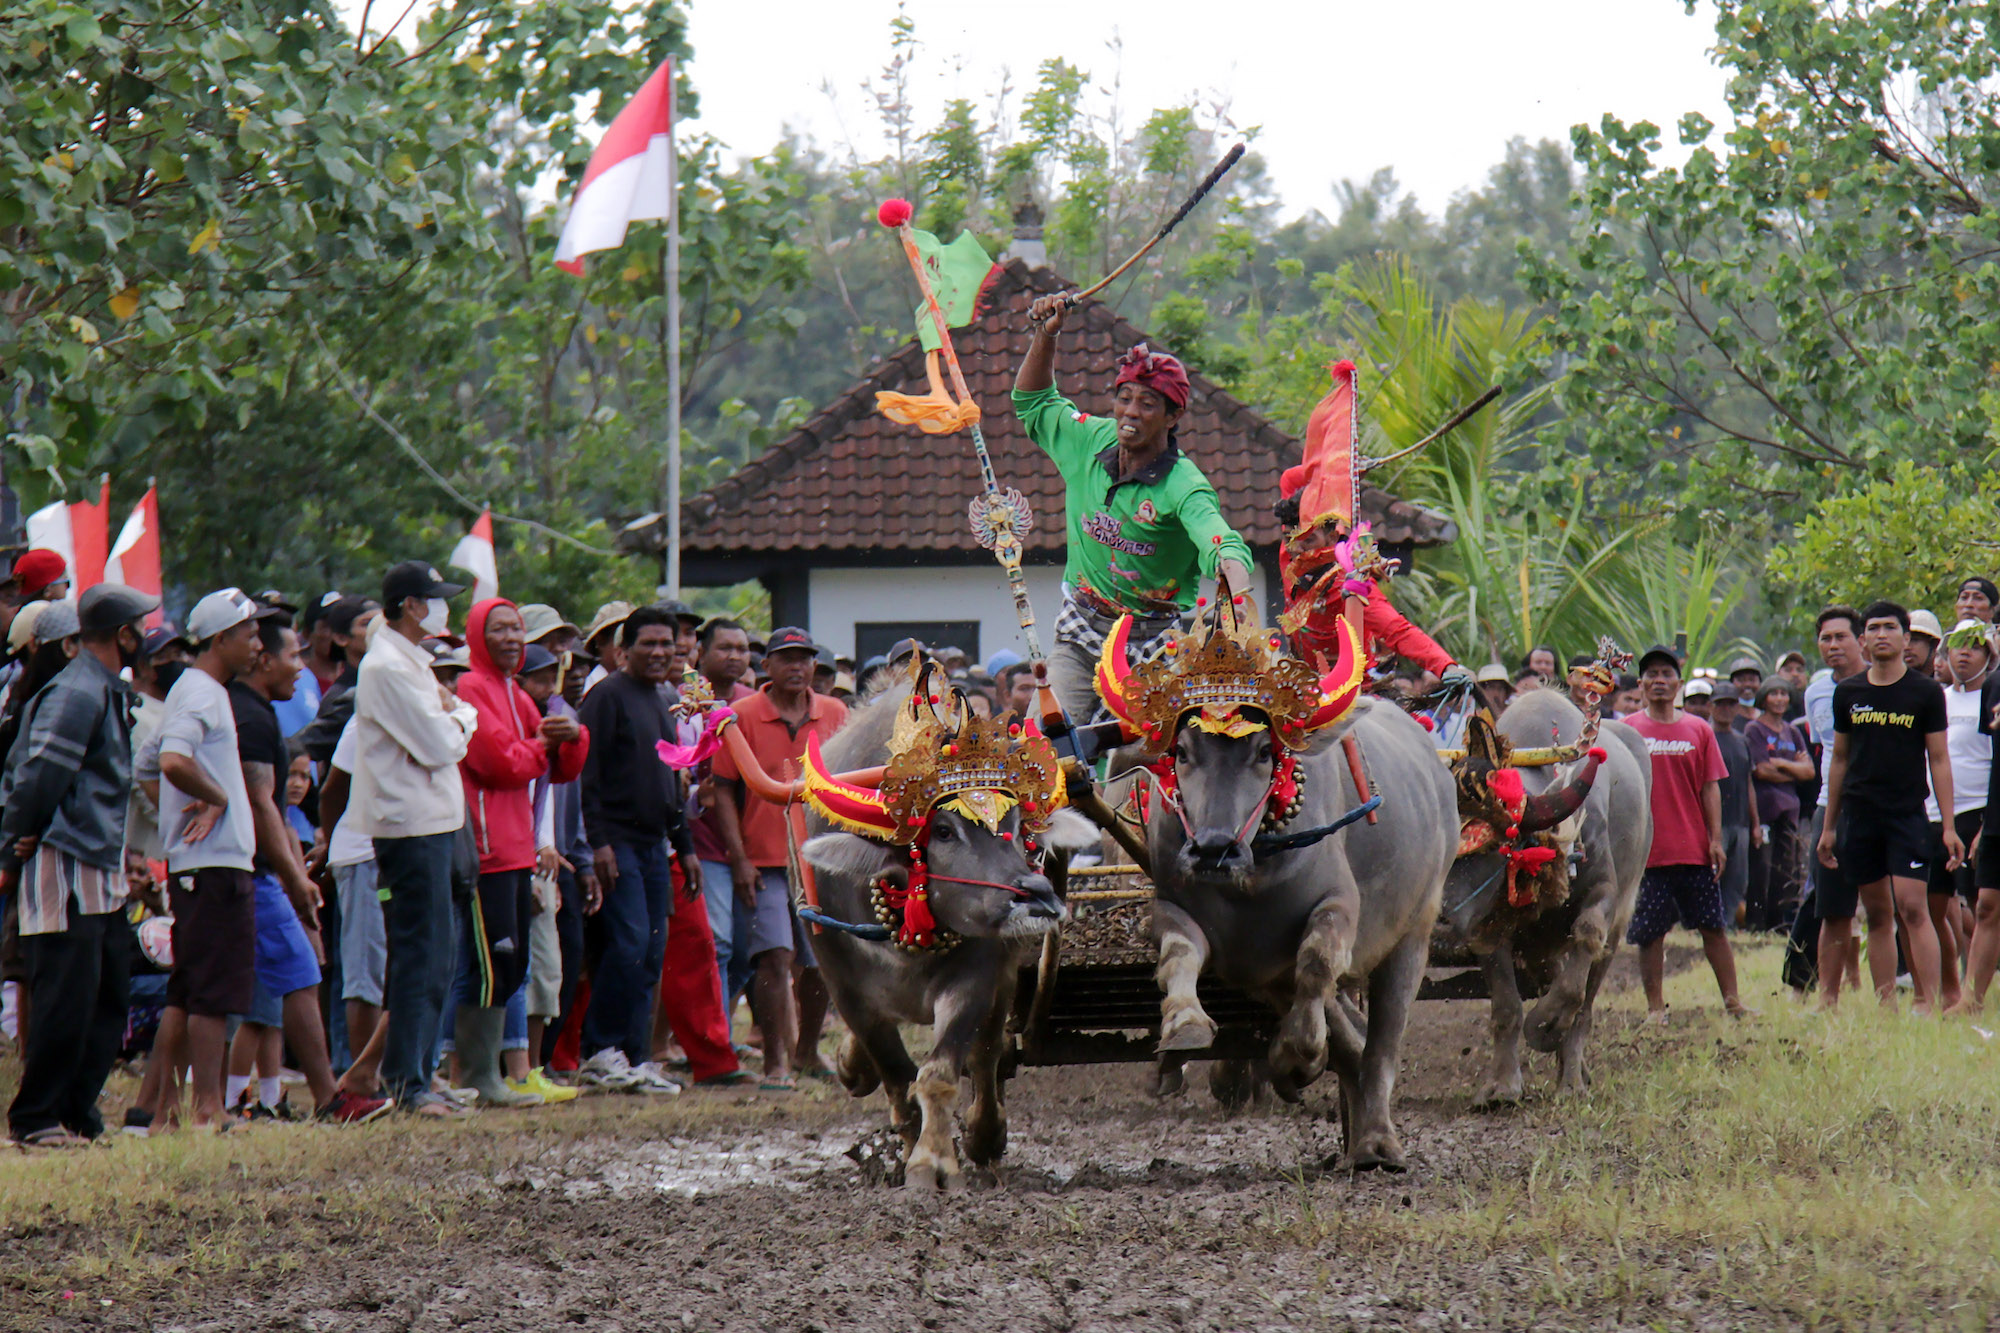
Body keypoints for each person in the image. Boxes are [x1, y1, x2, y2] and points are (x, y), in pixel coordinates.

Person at [1013, 304, 1255, 724]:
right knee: (1041, 745)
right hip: (1078, 634)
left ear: (1173, 416)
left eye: (1147, 404)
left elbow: (1222, 544)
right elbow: (1033, 402)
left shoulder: (1184, 486)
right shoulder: (1090, 439)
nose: (1130, 412)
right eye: (1124, 399)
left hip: (1152, 645)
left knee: (1137, 756)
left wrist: (1240, 596)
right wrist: (1047, 334)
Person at [0, 584, 156, 1146]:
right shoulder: (79, 693)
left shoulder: (102, 689)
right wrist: (16, 842)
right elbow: (38, 776)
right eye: (140, 626)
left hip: (99, 867)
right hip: (65, 866)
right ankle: (36, 1117)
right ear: (122, 634)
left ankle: (75, 1111)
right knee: (66, 995)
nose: (147, 637)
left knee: (108, 994)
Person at [224, 610, 385, 1123]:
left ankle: (185, 1104)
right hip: (253, 871)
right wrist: (294, 879)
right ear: (263, 659)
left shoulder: (259, 712)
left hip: (257, 868)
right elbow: (260, 803)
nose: (301, 667)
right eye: (293, 656)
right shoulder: (248, 716)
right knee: (295, 971)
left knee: (229, 993)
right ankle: (329, 1099)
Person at [575, 605, 730, 1092]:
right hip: (615, 840)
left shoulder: (666, 697)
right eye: (649, 644)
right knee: (626, 944)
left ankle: (636, 1057)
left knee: (652, 950)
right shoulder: (606, 697)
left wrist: (684, 846)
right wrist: (597, 842)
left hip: (655, 843)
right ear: (624, 650)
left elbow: (672, 777)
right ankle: (599, 1052)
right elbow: (588, 775)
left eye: (668, 643)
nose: (661, 652)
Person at [351, 562, 479, 1115]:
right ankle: (407, 1082)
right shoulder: (387, 667)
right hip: (410, 827)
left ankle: (420, 1071)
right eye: (435, 599)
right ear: (410, 604)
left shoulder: (411, 662)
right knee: (419, 956)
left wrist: (457, 716)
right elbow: (440, 743)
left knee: (440, 957)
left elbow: (446, 726)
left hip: (435, 823)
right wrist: (464, 719)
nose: (443, 607)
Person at [453, 598, 590, 1108]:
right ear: (477, 636)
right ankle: (478, 1076)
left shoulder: (516, 692)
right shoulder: (470, 687)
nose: (512, 637)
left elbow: (560, 768)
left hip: (517, 852)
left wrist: (572, 737)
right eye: (500, 629)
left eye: (516, 629)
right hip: (487, 850)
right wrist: (544, 746)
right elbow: (496, 761)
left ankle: (485, 1076)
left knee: (510, 969)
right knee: (492, 965)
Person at [151, 588, 279, 1130]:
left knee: (187, 991)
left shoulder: (189, 689)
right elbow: (172, 760)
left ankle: (161, 1111)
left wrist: (175, 814)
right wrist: (218, 797)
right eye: (249, 633)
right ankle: (208, 1108)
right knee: (212, 993)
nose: (258, 643)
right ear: (221, 639)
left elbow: (145, 768)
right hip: (216, 865)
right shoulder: (204, 693)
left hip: (196, 864)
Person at [710, 626, 848, 1090]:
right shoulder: (740, 714)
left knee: (821, 960)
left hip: (820, 855)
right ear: (765, 665)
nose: (796, 666)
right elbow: (723, 791)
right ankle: (775, 1062)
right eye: (785, 657)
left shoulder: (834, 711)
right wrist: (738, 857)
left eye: (804, 658)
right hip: (764, 858)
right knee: (773, 955)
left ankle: (808, 1050)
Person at [1816, 602, 1961, 1013]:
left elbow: (1939, 759)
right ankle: (1885, 1007)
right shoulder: (1849, 693)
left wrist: (1948, 826)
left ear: (1905, 637)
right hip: (1859, 816)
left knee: (1913, 909)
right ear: (1864, 639)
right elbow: (1839, 760)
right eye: (1874, 628)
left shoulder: (1925, 692)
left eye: (1890, 627)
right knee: (1877, 914)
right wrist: (1829, 827)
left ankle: (1926, 1003)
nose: (1882, 634)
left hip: (1908, 816)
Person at [1623, 646, 1753, 1023]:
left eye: (1666, 674)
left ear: (1678, 684)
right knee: (1650, 934)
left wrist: (1715, 840)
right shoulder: (1628, 730)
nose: (1659, 681)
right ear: (1642, 683)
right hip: (1647, 853)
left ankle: (1733, 1003)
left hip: (1694, 849)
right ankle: (1654, 1009)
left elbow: (1710, 788)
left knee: (1713, 928)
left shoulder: (1699, 730)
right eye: (1651, 675)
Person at [512, 644, 588, 1102]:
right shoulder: (507, 727)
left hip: (539, 858)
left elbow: (547, 797)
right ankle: (504, 1070)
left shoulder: (553, 728)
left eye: (550, 679)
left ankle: (532, 1068)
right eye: (537, 679)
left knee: (545, 971)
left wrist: (546, 845)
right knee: (509, 970)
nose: (549, 689)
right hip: (505, 859)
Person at [1924, 620, 1991, 1012]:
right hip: (1932, 814)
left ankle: (1974, 988)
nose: (1964, 653)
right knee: (1932, 907)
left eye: (1975, 646)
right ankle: (1950, 987)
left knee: (1980, 905)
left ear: (1989, 655)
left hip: (1976, 813)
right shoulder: (1936, 700)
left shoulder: (1992, 700)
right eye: (1958, 645)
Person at [692, 618, 758, 1013]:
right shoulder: (683, 702)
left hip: (753, 845)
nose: (735, 656)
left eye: (742, 648)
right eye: (725, 648)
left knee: (747, 947)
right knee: (717, 942)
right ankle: (715, 1041)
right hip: (702, 840)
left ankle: (721, 1028)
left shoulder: (751, 704)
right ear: (701, 652)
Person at [1745, 681, 1812, 932]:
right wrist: (1794, 770)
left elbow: (1809, 771)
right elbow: (1761, 770)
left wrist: (1782, 766)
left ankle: (1781, 925)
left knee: (1787, 869)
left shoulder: (1792, 732)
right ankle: (1757, 924)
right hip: (1764, 809)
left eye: (1784, 693)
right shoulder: (1754, 729)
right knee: (1762, 868)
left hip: (1790, 810)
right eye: (1774, 693)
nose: (1780, 698)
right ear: (1763, 698)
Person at [1707, 687, 1759, 928]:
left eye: (1730, 704)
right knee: (1711, 877)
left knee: (1738, 879)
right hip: (1713, 823)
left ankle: (1725, 926)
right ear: (1711, 706)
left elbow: (1748, 782)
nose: (1725, 709)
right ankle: (1708, 925)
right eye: (1720, 704)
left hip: (1741, 822)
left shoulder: (1742, 741)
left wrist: (1755, 823)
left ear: (1738, 708)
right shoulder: (1705, 737)